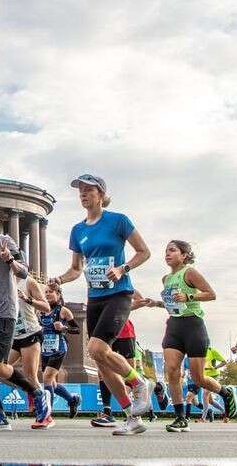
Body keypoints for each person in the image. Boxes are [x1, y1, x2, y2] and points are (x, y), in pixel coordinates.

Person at [49, 175, 152, 436]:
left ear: (101, 193)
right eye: (80, 191)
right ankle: (133, 417)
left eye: (88, 190)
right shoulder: (78, 230)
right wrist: (59, 279)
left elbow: (144, 251)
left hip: (119, 293)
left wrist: (122, 268)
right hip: (94, 297)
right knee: (101, 363)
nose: (83, 194)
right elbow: (76, 269)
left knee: (97, 347)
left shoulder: (118, 220)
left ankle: (139, 383)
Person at [0, 200, 52, 431]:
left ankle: (36, 392)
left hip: (5, 312)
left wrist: (10, 260)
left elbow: (24, 271)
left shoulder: (5, 241)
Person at [138, 240, 237, 433]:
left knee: (199, 379)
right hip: (174, 325)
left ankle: (225, 392)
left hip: (193, 325)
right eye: (166, 251)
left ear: (184, 255)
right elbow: (172, 303)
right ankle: (180, 418)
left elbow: (211, 294)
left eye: (172, 250)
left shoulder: (189, 272)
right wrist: (156, 303)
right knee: (173, 371)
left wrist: (189, 296)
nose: (167, 254)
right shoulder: (166, 279)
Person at [7, 276, 51, 427]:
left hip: (31, 333)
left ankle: (45, 416)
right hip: (15, 335)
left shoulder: (28, 282)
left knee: (30, 375)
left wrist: (27, 299)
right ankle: (36, 393)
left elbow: (46, 307)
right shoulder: (5, 280)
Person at [39, 284, 81, 420]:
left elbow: (77, 330)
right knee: (52, 383)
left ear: (58, 294)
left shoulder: (63, 311)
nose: (47, 294)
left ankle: (47, 414)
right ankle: (72, 400)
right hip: (45, 350)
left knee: (46, 378)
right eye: (45, 292)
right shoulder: (40, 311)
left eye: (50, 292)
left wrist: (64, 328)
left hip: (59, 348)